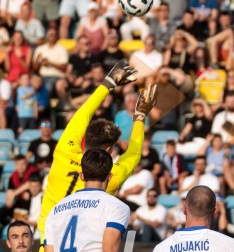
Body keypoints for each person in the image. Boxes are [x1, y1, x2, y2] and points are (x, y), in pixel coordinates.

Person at [36, 61, 156, 240]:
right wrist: (140, 117)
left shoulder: (63, 152)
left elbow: (82, 115)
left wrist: (108, 83)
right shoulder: (110, 175)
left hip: (48, 246)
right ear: (109, 149)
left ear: (87, 138)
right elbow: (134, 154)